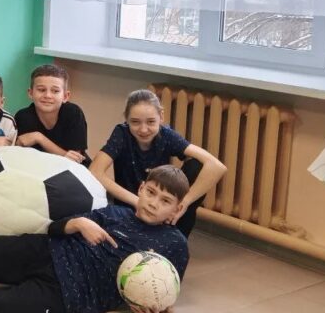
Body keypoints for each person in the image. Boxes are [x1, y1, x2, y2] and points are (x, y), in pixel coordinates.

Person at [0, 165, 191, 313]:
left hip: (74, 294)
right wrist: (79, 223)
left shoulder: (175, 244)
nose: (153, 203)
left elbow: (165, 289)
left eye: (165, 201)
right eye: (151, 192)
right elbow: (54, 228)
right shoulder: (115, 212)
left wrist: (147, 304)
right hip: (47, 251)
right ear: (141, 189)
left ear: (177, 208)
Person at [91, 89, 227, 237]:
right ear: (126, 119)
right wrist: (139, 201)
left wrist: (184, 203)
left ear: (161, 117)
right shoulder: (122, 134)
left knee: (196, 166)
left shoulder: (166, 135)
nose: (143, 130)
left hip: (163, 209)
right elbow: (95, 171)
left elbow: (217, 167)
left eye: (150, 122)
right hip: (132, 207)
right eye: (135, 122)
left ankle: (176, 234)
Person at [14, 64, 91, 165]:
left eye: (55, 91)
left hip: (75, 169)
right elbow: (21, 155)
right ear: (30, 93)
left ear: (65, 96)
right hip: (38, 168)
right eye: (41, 90)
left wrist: (39, 138)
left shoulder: (73, 113)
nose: (48, 95)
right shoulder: (22, 117)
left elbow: (74, 160)